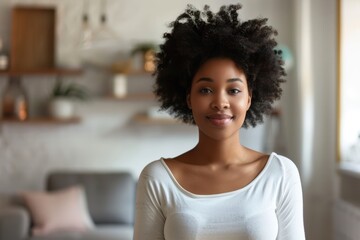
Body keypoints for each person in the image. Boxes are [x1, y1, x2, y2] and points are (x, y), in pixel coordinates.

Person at [133, 3, 305, 240]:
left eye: (233, 90)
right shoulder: (158, 178)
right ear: (188, 99)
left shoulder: (280, 174)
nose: (220, 102)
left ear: (249, 98)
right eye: (205, 90)